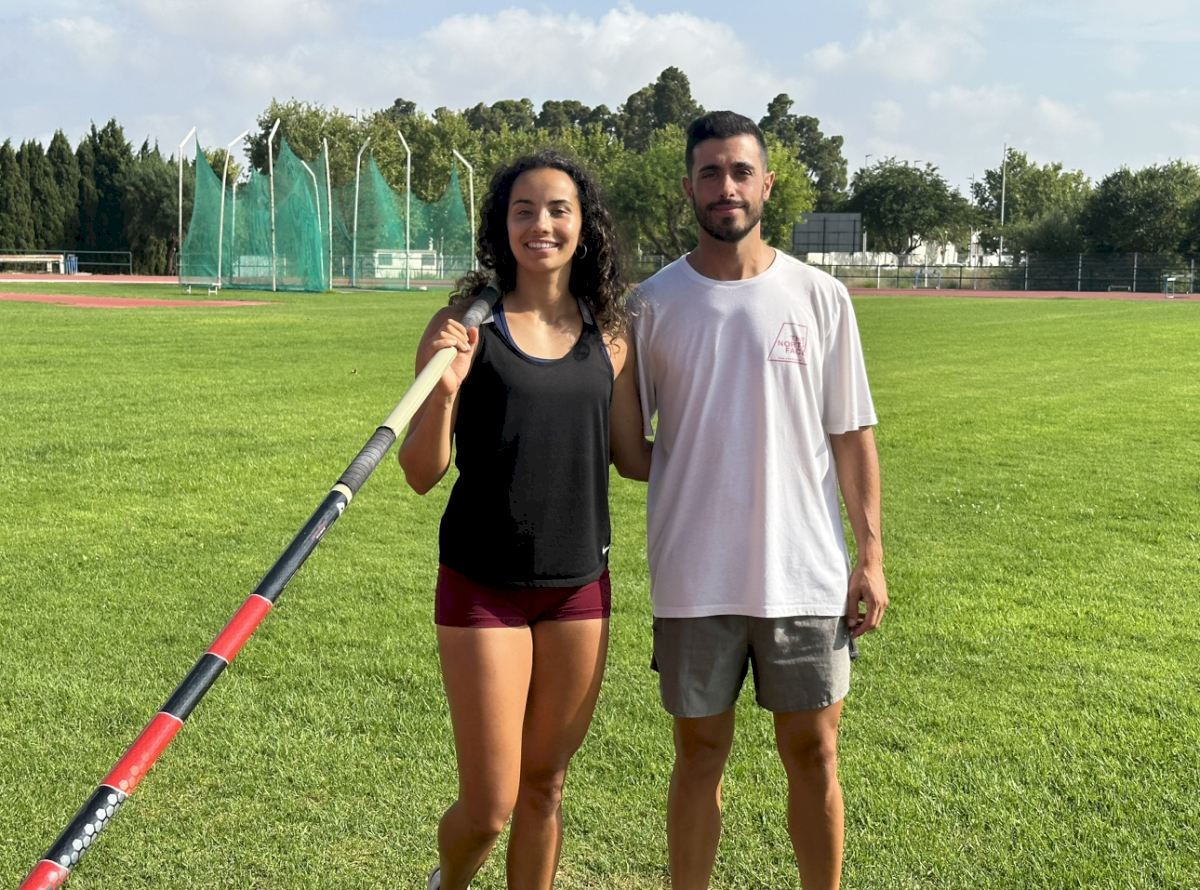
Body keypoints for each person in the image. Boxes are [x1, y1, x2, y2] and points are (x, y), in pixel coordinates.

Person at [631, 111, 888, 889]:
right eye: (709, 173)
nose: (726, 187)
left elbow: (852, 435)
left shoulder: (820, 296)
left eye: (741, 171)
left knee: (814, 754)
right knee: (698, 757)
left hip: (803, 574)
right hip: (694, 577)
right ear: (688, 189)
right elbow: (630, 449)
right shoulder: (650, 305)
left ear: (767, 184)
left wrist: (871, 557)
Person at [398, 150, 648, 890]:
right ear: (502, 226)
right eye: (524, 210)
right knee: (489, 808)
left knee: (546, 786)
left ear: (583, 225)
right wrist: (446, 390)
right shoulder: (463, 327)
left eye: (558, 210)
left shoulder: (611, 335)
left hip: (579, 587)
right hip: (483, 585)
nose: (542, 224)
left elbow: (635, 457)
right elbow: (420, 472)